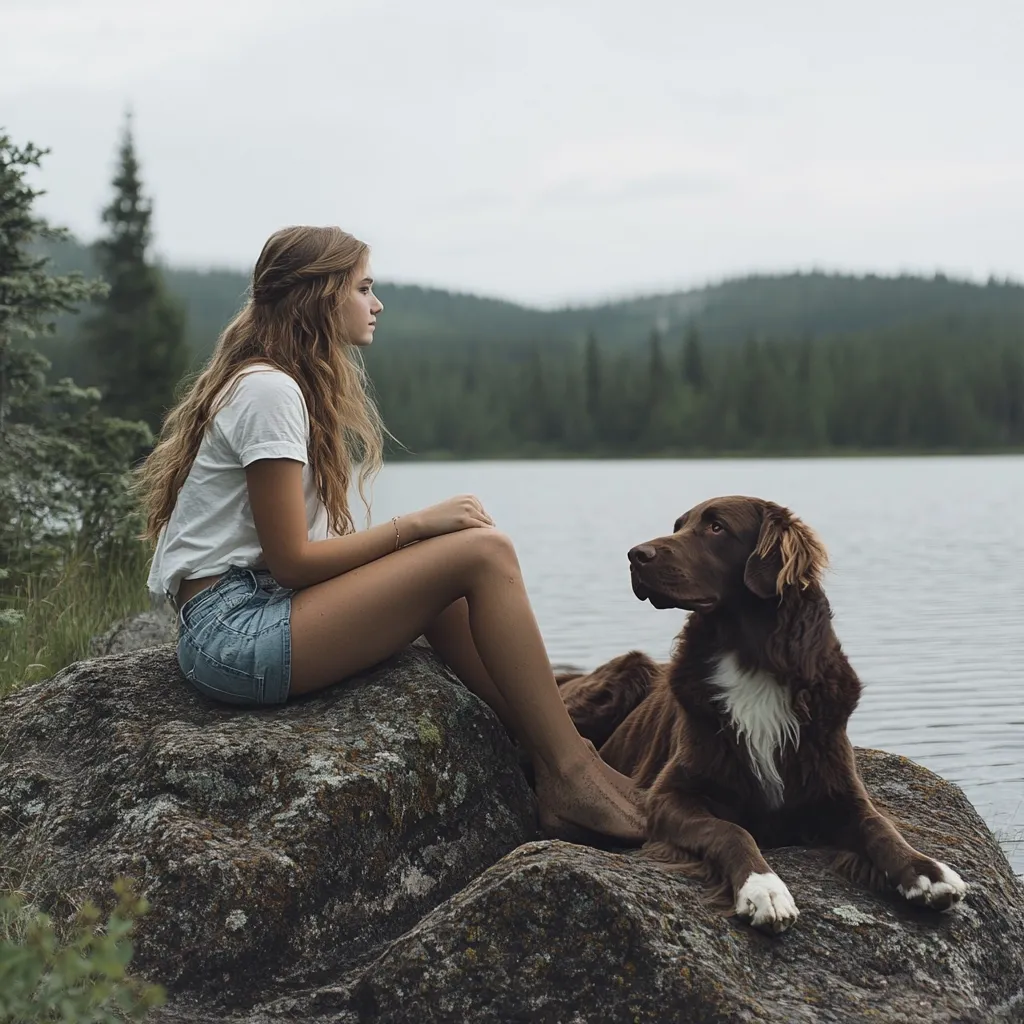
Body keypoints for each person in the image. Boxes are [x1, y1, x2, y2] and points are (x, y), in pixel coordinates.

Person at [136, 225, 645, 844]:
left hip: (252, 611)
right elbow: (293, 561)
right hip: (233, 632)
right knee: (484, 553)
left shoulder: (278, 384)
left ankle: (548, 753)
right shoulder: (269, 391)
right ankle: (573, 773)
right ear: (321, 297)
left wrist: (420, 543)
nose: (376, 305)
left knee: (454, 581)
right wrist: (416, 525)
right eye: (364, 288)